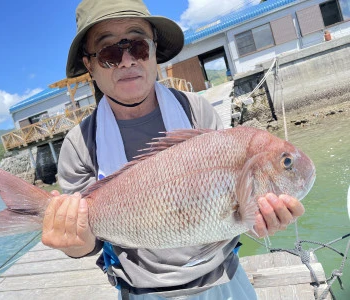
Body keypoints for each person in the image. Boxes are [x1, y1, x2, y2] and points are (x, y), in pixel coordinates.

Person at [42, 0, 305, 298]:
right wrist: (74, 244)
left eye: (138, 46)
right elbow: (92, 244)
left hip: (224, 278)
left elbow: (230, 212)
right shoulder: (79, 146)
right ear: (89, 64)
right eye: (109, 53)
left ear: (154, 51)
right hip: (141, 292)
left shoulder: (196, 111)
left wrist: (264, 220)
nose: (128, 61)